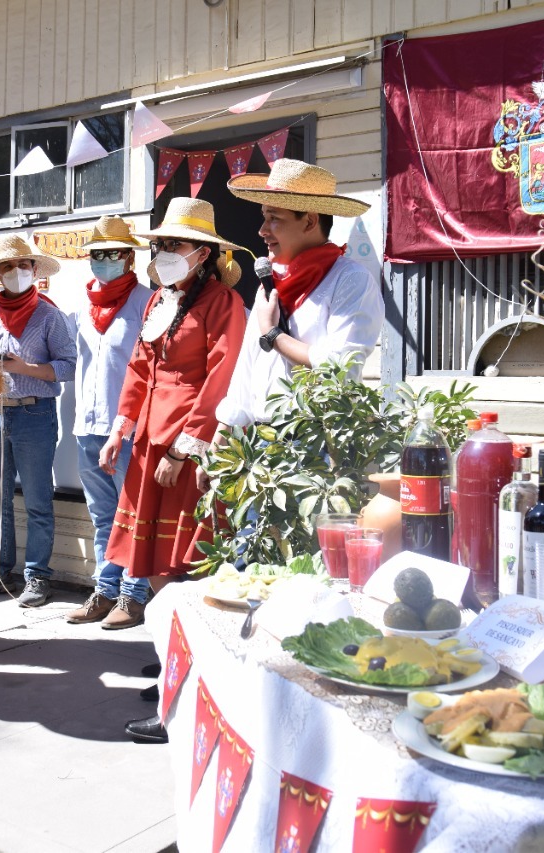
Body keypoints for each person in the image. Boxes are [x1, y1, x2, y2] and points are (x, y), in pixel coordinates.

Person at [98, 198, 247, 743]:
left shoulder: (223, 302)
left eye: (173, 245)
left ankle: (191, 686)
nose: (161, 254)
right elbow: (142, 368)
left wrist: (186, 447)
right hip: (147, 445)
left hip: (185, 446)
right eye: (159, 244)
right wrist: (120, 426)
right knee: (157, 563)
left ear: (203, 253)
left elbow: (221, 375)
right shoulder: (160, 299)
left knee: (186, 565)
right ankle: (172, 662)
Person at [210, 158, 383, 452]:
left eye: (274, 218)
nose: (262, 230)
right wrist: (220, 440)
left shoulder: (350, 280)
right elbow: (247, 369)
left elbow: (340, 367)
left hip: (317, 441)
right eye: (264, 217)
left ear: (310, 221)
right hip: (258, 439)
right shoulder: (271, 281)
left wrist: (274, 335)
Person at [0, 235, 77, 607]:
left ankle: (36, 577)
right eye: (7, 267)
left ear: (34, 270)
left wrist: (25, 368)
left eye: (22, 266)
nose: (15, 272)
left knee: (36, 500)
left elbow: (67, 366)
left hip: (35, 412)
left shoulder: (50, 315)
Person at [63, 216, 154, 630]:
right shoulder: (82, 307)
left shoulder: (147, 303)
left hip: (129, 429)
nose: (100, 261)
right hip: (88, 426)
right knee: (104, 518)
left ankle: (135, 595)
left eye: (108, 254)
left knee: (133, 516)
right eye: (94, 254)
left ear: (128, 256)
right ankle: (106, 588)